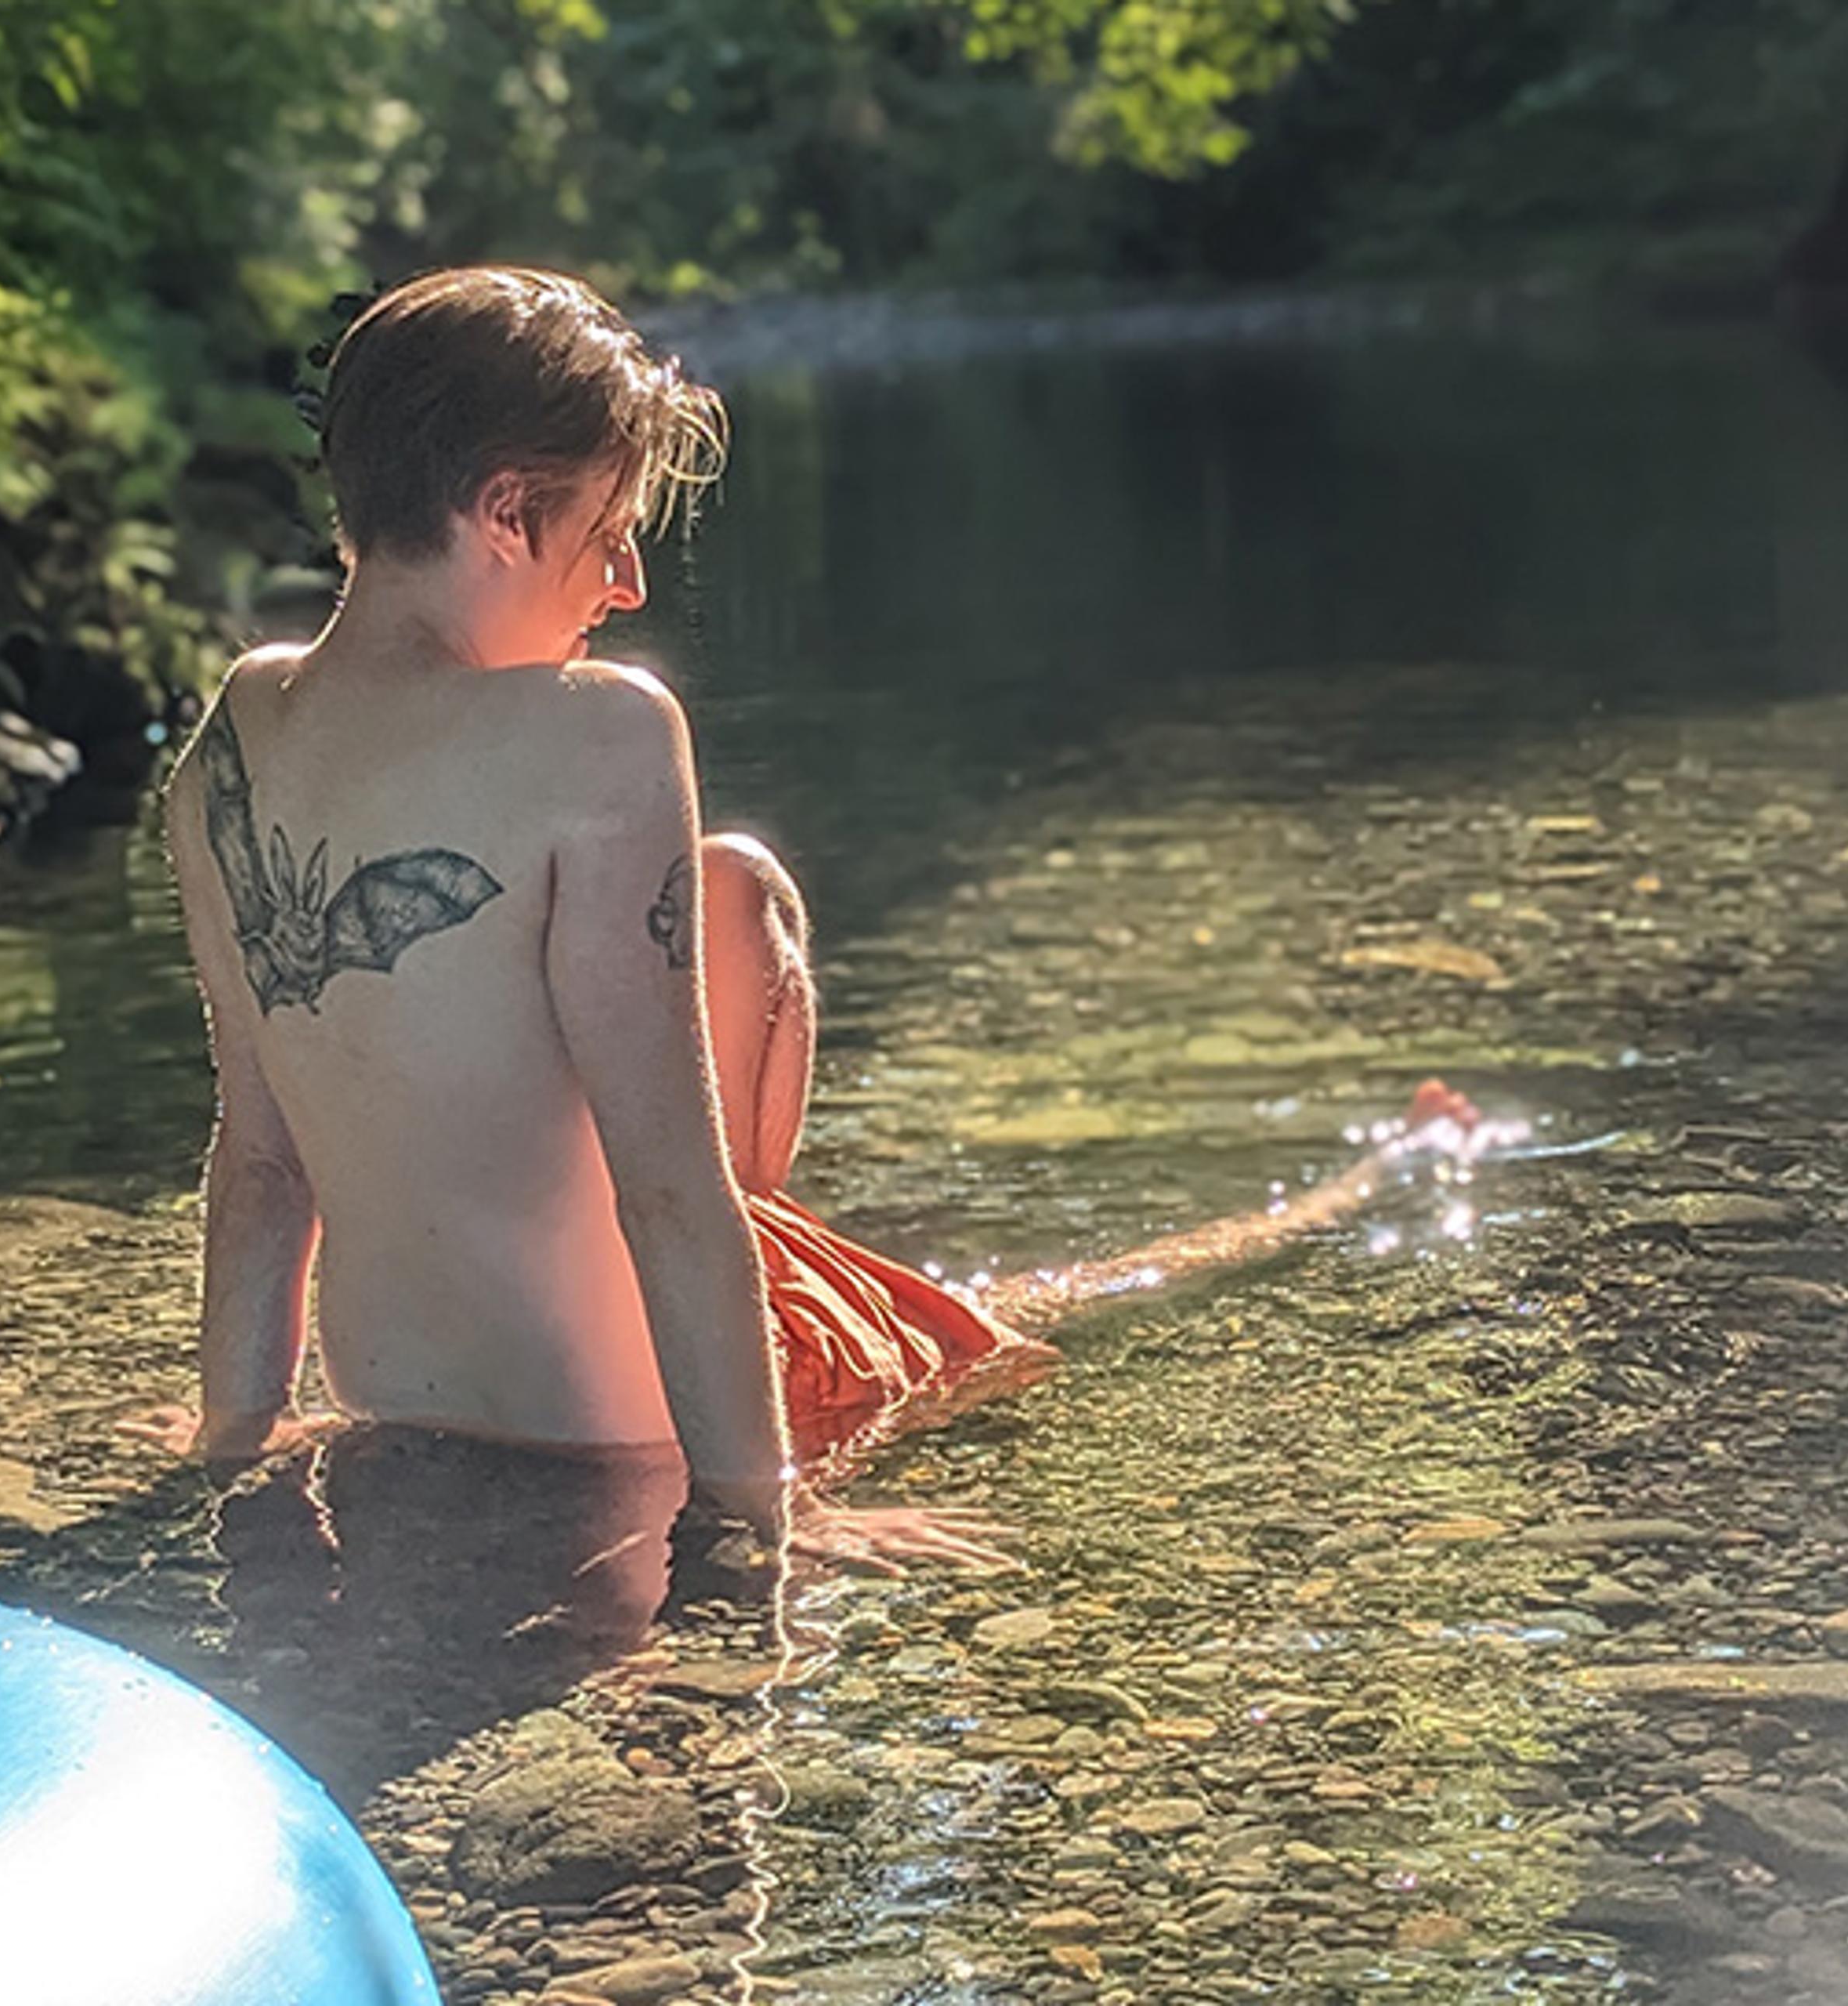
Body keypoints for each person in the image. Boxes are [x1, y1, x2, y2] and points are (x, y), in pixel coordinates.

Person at [130, 266, 1488, 1572]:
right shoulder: (599, 735)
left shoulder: (234, 745)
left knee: (718, 884)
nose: (628, 588)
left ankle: (1376, 1174)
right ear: (503, 511)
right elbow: (671, 1185)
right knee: (1040, 1305)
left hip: (395, 1404)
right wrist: (760, 1512)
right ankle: (1373, 1180)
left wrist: (235, 1443)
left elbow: (259, 1162)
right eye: (609, 534)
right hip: (630, 1429)